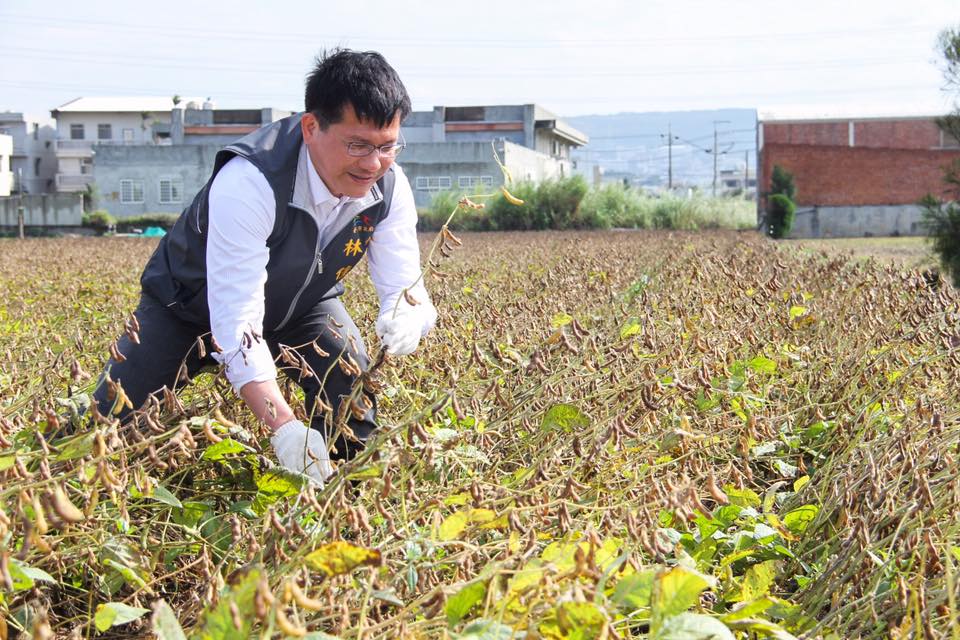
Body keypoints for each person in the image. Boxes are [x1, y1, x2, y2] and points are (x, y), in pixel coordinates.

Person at [93, 49, 436, 484]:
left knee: (348, 373)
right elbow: (236, 323)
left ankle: (350, 495)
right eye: (358, 146)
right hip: (185, 309)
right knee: (106, 431)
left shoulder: (389, 186)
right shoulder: (251, 181)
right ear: (312, 127)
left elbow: (406, 284)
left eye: (387, 146)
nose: (373, 164)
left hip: (302, 307)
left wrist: (408, 314)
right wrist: (285, 428)